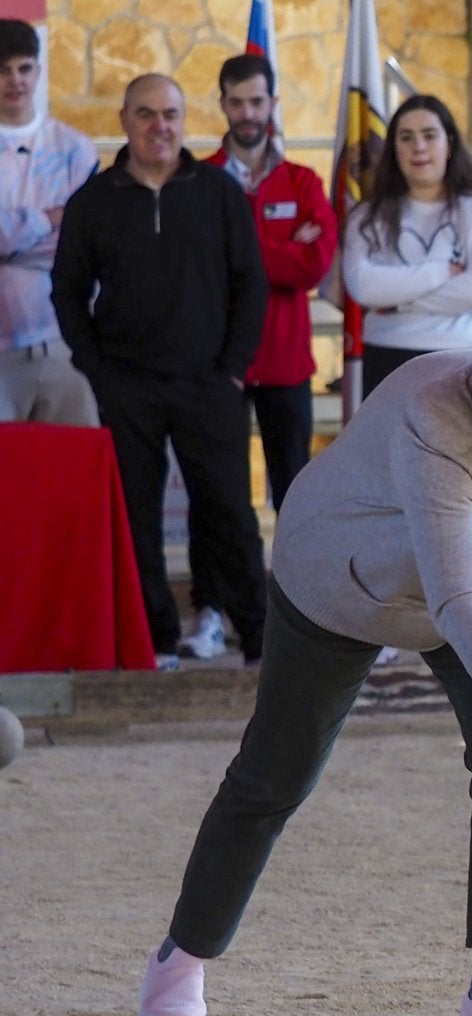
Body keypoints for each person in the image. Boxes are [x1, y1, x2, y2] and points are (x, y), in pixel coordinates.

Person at [134, 287, 472, 1016]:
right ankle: (181, 958)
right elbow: (455, 603)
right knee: (277, 775)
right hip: (344, 577)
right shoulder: (433, 413)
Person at [51, 74, 269, 670]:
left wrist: (232, 367)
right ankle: (152, 641)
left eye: (170, 113)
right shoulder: (93, 202)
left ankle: (260, 639)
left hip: (210, 383)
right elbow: (67, 291)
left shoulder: (219, 194)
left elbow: (252, 283)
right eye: (145, 114)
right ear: (124, 120)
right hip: (127, 387)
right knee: (134, 519)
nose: (159, 126)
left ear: (184, 119)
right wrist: (95, 369)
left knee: (229, 513)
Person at [177, 53, 337, 662]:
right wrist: (275, 247)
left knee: (295, 493)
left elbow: (314, 264)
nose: (247, 113)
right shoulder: (199, 179)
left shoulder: (302, 182)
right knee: (213, 493)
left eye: (257, 101)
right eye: (236, 102)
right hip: (216, 362)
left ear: (273, 105)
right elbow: (198, 268)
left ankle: (299, 613)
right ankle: (211, 611)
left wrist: (241, 252)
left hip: (286, 362)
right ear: (222, 105)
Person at [341, 94, 472, 396]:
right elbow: (364, 287)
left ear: (449, 144)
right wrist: (441, 272)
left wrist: (398, 302)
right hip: (389, 356)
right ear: (393, 149)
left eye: (429, 136)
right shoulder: (368, 216)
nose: (418, 147)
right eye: (406, 138)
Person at [0, 19, 98, 425]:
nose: (14, 80)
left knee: (72, 471)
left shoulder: (74, 147)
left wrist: (13, 235)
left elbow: (82, 239)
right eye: (3, 70)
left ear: (38, 71)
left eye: (24, 68)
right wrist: (48, 218)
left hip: (65, 341)